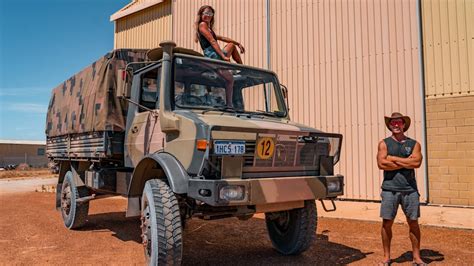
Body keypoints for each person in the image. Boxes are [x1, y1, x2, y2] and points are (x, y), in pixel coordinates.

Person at [376, 112, 426, 266]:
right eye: (393, 123)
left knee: (413, 222)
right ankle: (387, 257)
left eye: (399, 122)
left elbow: (417, 163)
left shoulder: (414, 144)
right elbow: (381, 164)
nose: (396, 125)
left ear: (404, 124)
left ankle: (416, 257)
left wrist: (393, 159)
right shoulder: (384, 144)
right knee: (387, 223)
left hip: (409, 189)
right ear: (390, 125)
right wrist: (406, 161)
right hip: (389, 189)